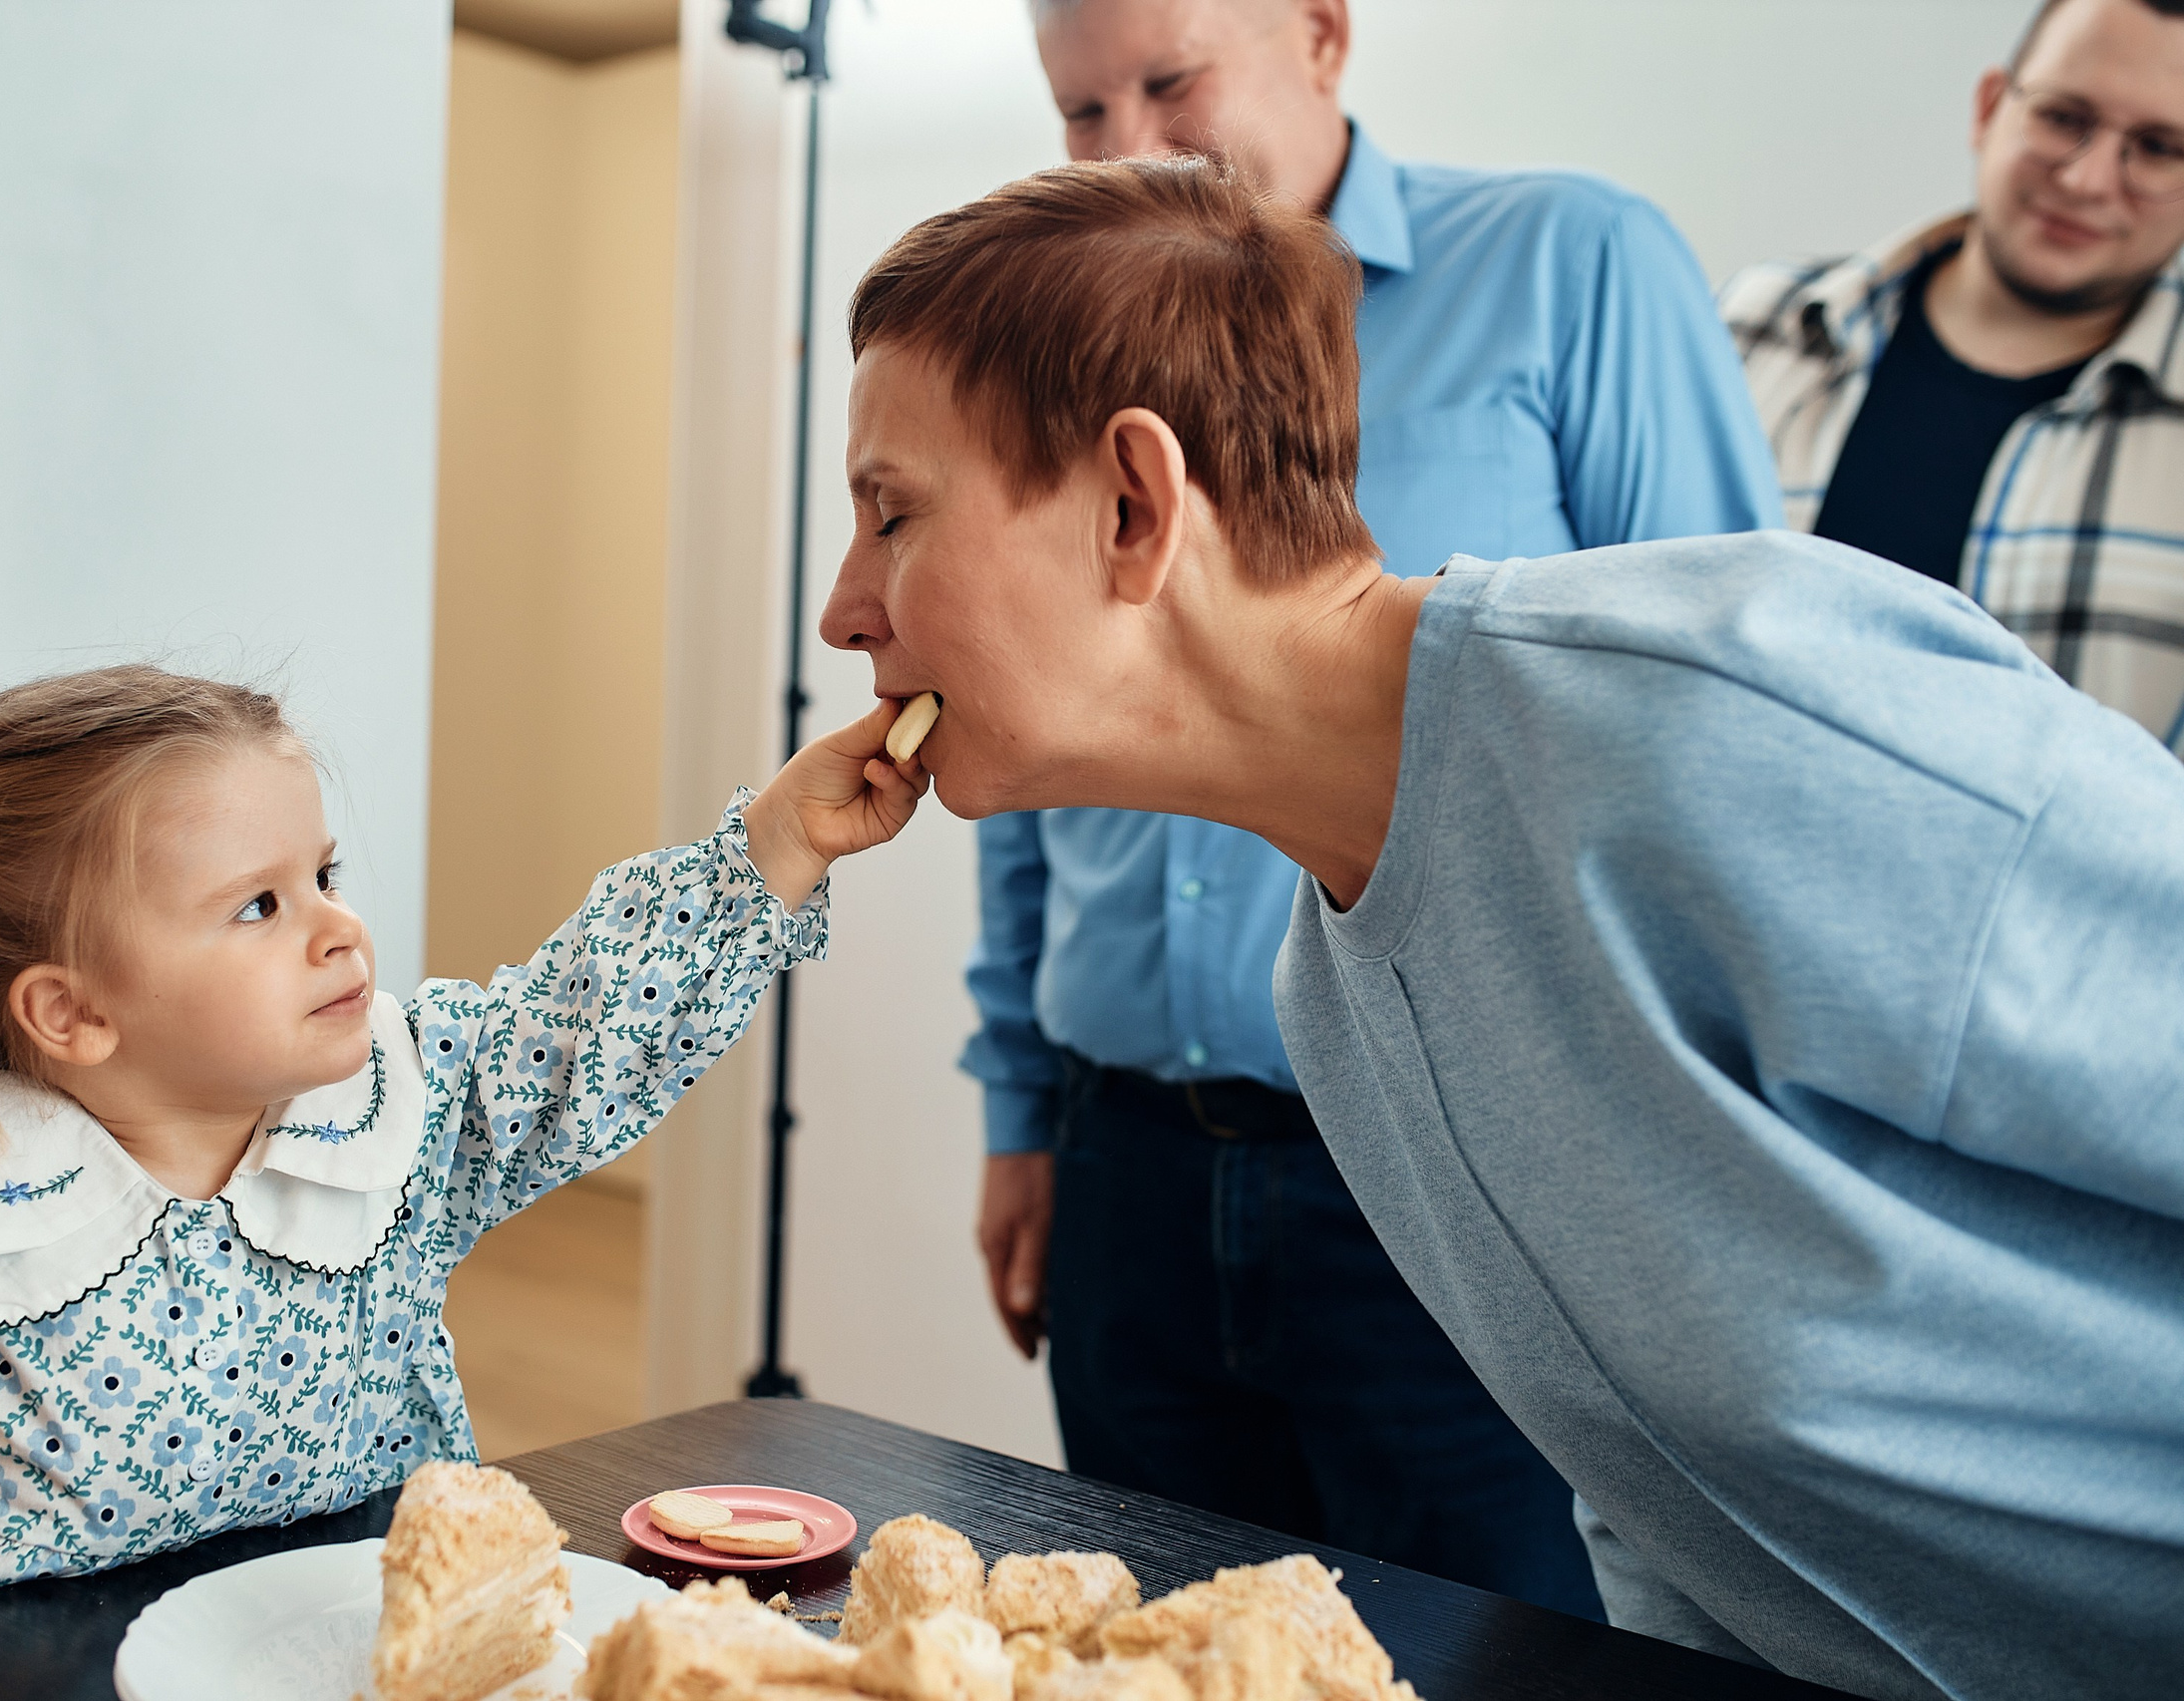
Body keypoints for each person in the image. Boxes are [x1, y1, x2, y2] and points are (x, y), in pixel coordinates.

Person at [824, 155, 2184, 1701]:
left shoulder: (1729, 712)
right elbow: (1677, 1503)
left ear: (1134, 506)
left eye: (892, 515)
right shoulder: (1334, 986)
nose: (845, 609)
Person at [0, 664, 926, 1701]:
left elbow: (589, 1021)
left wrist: (774, 843)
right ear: (71, 1012)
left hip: (362, 1645)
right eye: (259, 904)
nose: (336, 924)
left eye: (324, 874)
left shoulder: (405, 1111)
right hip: (37, 1663)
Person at [967, 0, 1780, 1614]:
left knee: (1480, 1652)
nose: (1129, 151)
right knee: (1142, 1659)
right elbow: (1029, 731)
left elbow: (1717, 736)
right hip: (1124, 1169)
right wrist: (1020, 1112)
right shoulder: (1068, 333)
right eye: (1080, 111)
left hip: (1457, 1184)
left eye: (1170, 82)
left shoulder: (1569, 268)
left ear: (1324, 34)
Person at [1727, 0, 2184, 751]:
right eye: (2063, 117)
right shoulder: (1752, 328)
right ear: (1990, 107)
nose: (2086, 179)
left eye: (2160, 147)